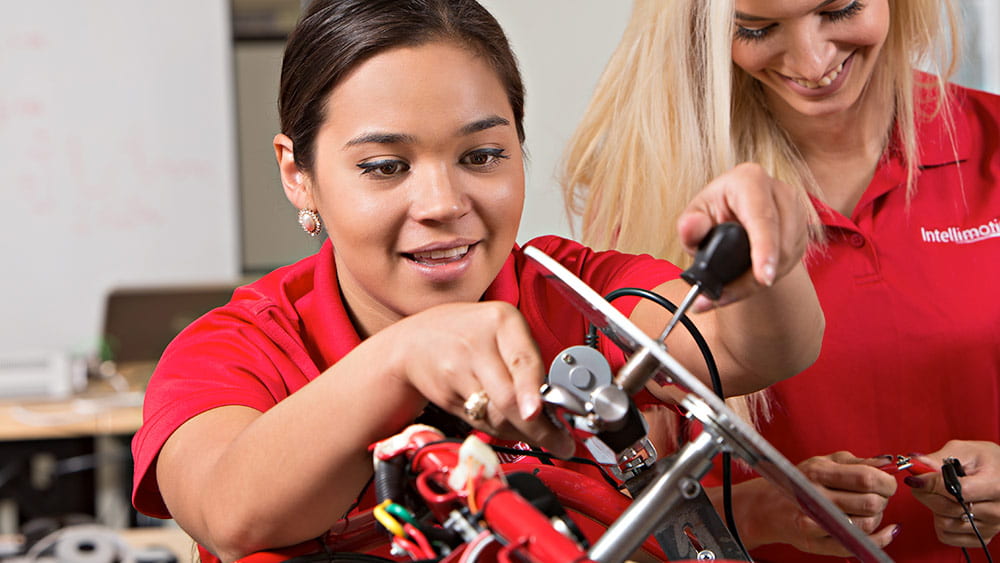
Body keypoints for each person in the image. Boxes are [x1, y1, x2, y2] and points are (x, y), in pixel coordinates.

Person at [129, 1, 826, 561]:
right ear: (297, 173)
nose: (442, 202)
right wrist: (404, 356)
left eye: (482, 154)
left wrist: (771, 248)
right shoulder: (237, 346)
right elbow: (228, 511)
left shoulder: (566, 285)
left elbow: (751, 348)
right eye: (384, 166)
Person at [562, 0, 1000, 561]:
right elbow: (617, 509)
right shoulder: (649, 197)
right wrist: (763, 510)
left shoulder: (989, 140)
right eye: (757, 28)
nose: (813, 62)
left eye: (840, 9)